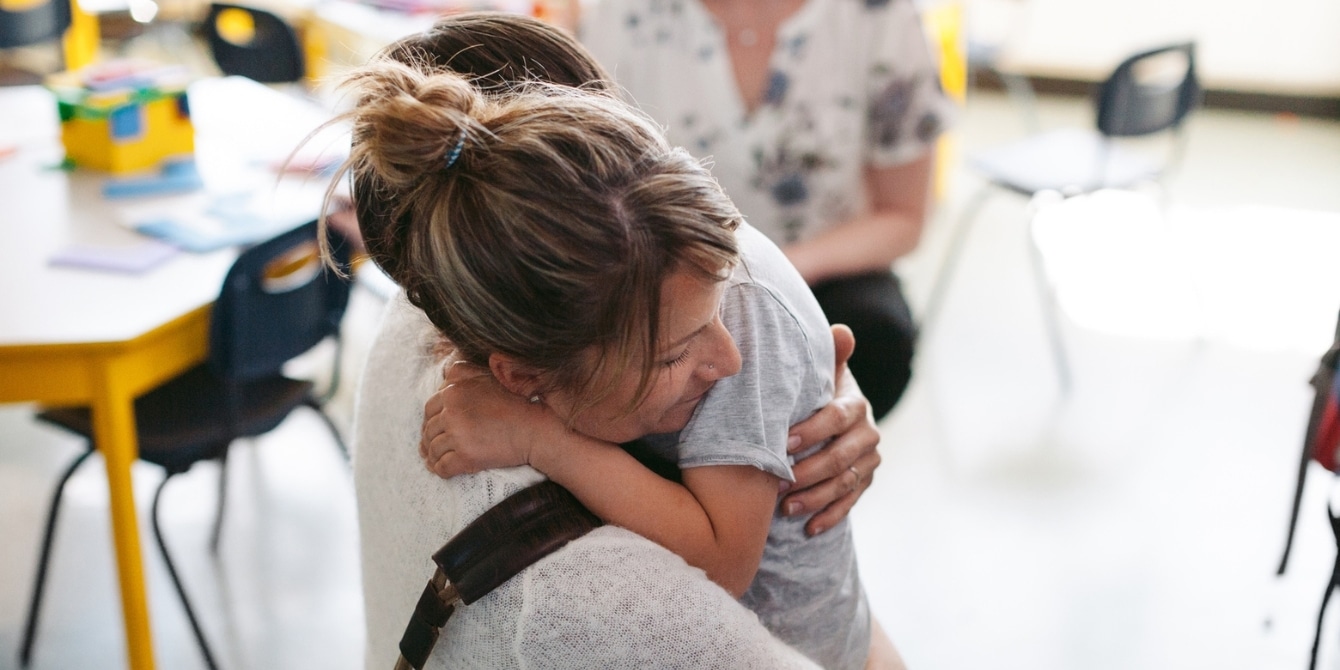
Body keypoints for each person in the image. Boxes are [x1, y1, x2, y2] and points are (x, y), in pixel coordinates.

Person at [337, 13, 901, 669]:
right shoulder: (601, 295)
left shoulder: (690, 287)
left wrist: (542, 438)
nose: (727, 359)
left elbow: (722, 562)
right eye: (671, 355)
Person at [581, 0, 955, 421]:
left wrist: (776, 273)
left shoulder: (881, 15)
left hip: (819, 269)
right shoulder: (619, 13)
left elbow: (902, 218)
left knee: (875, 335)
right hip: (660, 273)